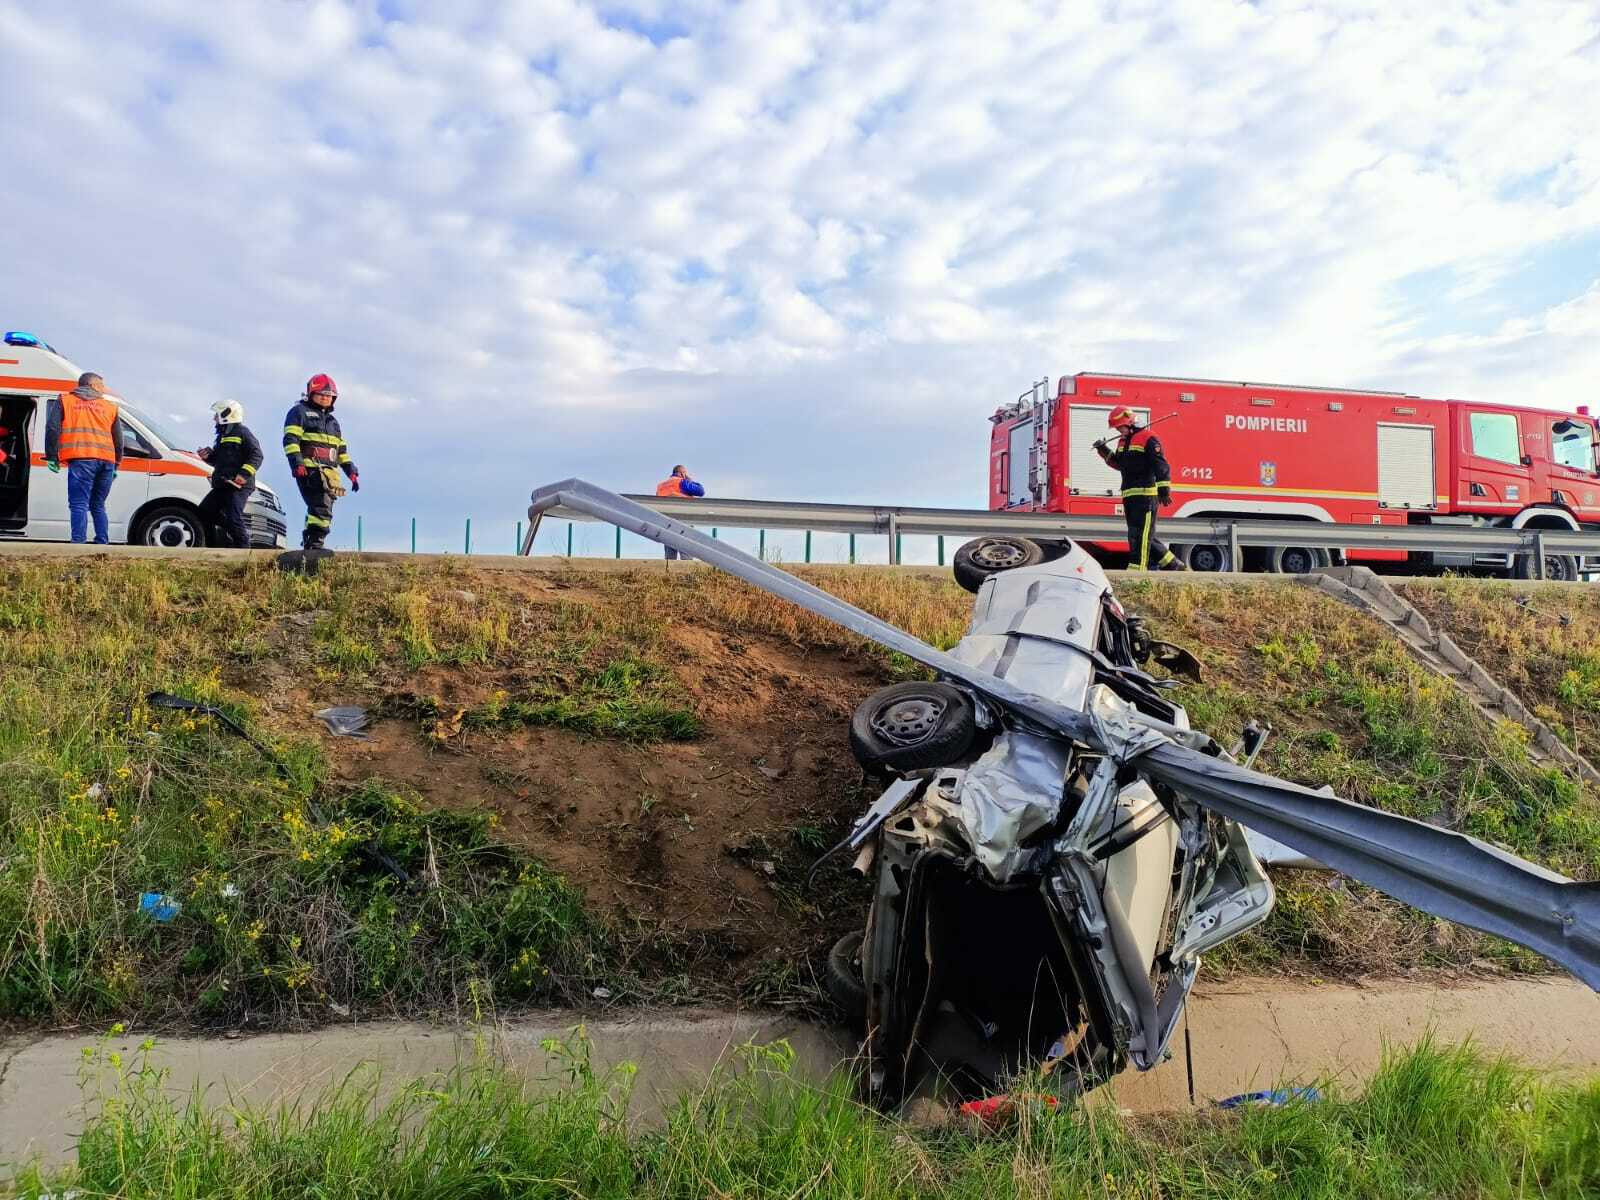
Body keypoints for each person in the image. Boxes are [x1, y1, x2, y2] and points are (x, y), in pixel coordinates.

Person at [1095, 406, 1185, 571]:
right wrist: (1104, 450)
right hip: (1129, 495)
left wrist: (1164, 489)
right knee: (1137, 533)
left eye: (1119, 427)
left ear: (1129, 423)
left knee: (1140, 535)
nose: (1118, 430)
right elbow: (1120, 464)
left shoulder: (1148, 438)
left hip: (1146, 496)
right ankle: (1173, 564)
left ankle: (1137, 570)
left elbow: (1161, 465)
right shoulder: (1123, 441)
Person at [282, 373, 358, 552]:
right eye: (321, 394)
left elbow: (341, 451)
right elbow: (290, 440)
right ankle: (316, 544)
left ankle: (311, 541)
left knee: (322, 505)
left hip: (330, 472)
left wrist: (352, 472)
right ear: (311, 394)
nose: (325, 398)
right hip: (310, 468)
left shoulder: (333, 422)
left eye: (329, 395)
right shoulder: (299, 412)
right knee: (321, 505)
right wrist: (297, 463)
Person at [45, 371, 123, 544]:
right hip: (107, 461)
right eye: (101, 385)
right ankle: (102, 542)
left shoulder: (65, 401)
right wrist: (116, 464)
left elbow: (52, 428)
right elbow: (118, 439)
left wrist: (52, 456)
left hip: (81, 459)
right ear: (92, 385)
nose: (103, 389)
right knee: (98, 504)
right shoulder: (110, 407)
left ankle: (78, 544)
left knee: (79, 503)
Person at [195, 400, 263, 548]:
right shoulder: (223, 435)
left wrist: (243, 475)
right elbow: (220, 460)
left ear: (227, 415)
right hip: (223, 484)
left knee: (234, 518)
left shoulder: (243, 432)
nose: (214, 418)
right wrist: (208, 456)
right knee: (205, 512)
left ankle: (244, 552)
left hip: (239, 486)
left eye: (217, 415)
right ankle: (218, 544)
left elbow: (257, 455)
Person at [655, 464, 705, 560]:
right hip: (683, 519)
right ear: (682, 473)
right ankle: (687, 569)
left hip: (667, 522)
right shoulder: (682, 482)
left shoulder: (660, 486)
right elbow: (701, 491)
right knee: (686, 552)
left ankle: (669, 568)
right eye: (685, 473)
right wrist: (690, 480)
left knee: (669, 556)